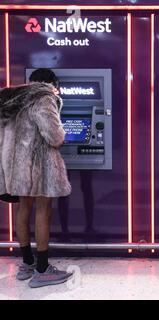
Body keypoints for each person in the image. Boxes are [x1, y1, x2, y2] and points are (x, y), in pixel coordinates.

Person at [0, 68, 72, 288]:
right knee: (43, 210)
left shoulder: (13, 100)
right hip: (38, 167)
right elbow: (55, 136)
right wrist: (63, 134)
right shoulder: (44, 98)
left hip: (15, 166)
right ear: (52, 84)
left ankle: (27, 263)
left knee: (23, 209)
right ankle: (42, 269)